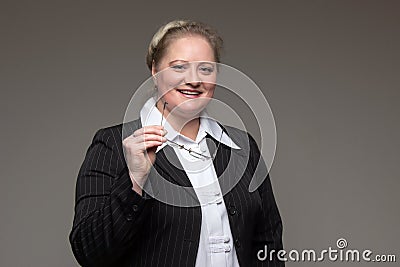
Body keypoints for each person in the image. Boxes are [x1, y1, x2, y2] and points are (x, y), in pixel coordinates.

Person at [69, 19, 284, 267]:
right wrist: (135, 181)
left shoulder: (242, 146)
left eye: (205, 69)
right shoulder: (113, 145)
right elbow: (89, 252)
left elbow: (269, 241)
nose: (194, 80)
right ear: (154, 71)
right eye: (179, 67)